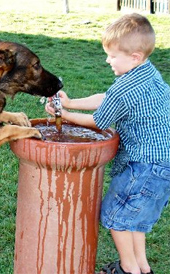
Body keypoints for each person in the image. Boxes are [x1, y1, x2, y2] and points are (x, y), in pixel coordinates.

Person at [45, 13, 170, 274]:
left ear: (134, 56)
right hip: (162, 166)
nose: (107, 60)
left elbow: (99, 121)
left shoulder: (125, 89)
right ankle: (142, 268)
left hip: (143, 166)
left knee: (117, 218)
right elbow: (106, 97)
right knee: (134, 221)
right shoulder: (147, 73)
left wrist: (64, 115)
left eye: (112, 55)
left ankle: (128, 268)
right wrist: (70, 103)